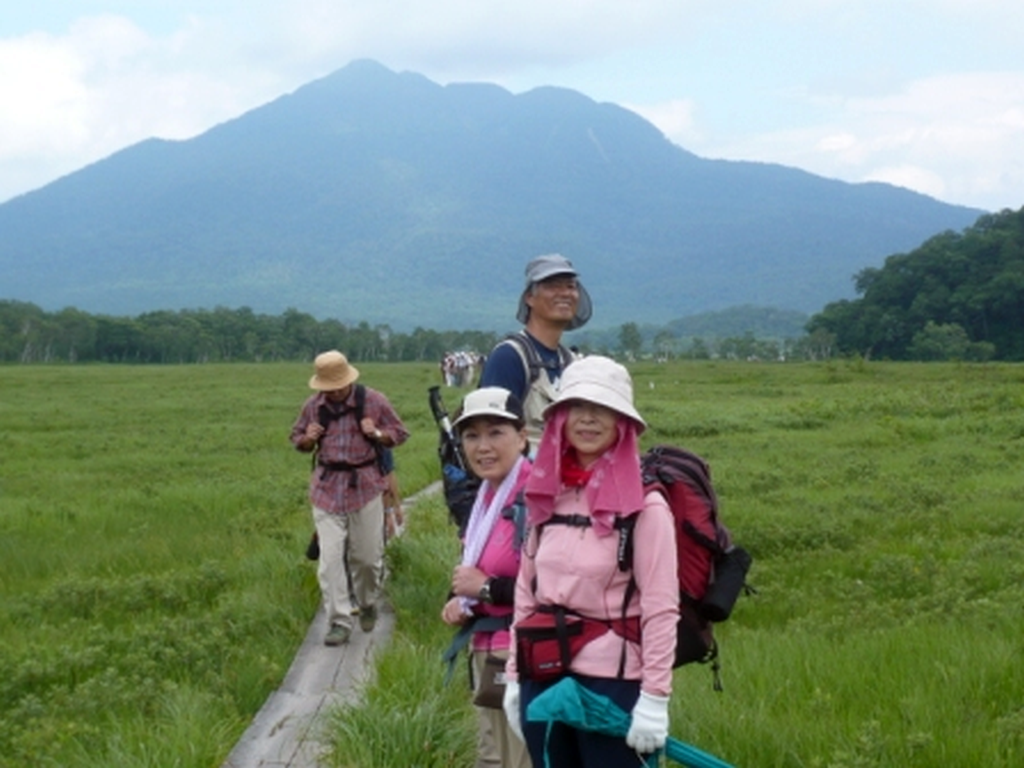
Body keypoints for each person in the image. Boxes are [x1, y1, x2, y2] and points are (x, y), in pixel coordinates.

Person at [502, 356, 678, 767]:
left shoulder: (645, 507)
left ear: (623, 423)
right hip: (542, 671)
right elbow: (527, 594)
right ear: (560, 417)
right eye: (577, 407)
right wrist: (514, 675)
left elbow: (660, 607)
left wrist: (655, 698)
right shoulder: (546, 495)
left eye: (603, 409)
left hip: (612, 685)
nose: (588, 419)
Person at [290, 350, 409, 646]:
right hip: (327, 489)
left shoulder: (373, 400)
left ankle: (367, 602)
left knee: (367, 558)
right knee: (330, 562)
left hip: (366, 486)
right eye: (329, 388)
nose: (335, 392)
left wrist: (378, 433)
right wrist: (308, 438)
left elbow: (400, 432)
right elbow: (297, 439)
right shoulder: (313, 407)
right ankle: (339, 621)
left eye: (339, 386)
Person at [441, 387, 532, 768]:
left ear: (522, 436)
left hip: (522, 653)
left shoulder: (536, 497)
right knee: (494, 757)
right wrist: (460, 598)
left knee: (520, 759)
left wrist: (485, 588)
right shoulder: (488, 496)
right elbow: (479, 564)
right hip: (488, 646)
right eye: (472, 435)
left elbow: (560, 585)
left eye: (496, 432)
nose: (483, 446)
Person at [479, 253, 592, 452]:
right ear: (529, 297)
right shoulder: (509, 357)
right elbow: (490, 433)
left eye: (570, 286)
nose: (565, 293)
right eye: (552, 286)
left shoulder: (571, 362)